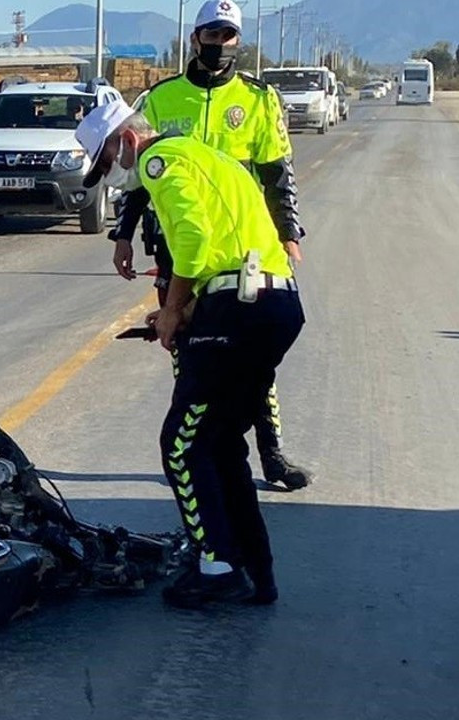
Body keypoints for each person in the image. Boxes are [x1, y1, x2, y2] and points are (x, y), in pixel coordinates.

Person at [76, 99, 305, 608]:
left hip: (238, 313)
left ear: (128, 141)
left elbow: (195, 246)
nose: (114, 177)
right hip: (274, 305)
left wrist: (175, 309)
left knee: (181, 444)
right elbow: (230, 248)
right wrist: (190, 307)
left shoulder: (162, 163)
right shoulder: (212, 159)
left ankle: (216, 565)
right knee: (221, 446)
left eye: (109, 163)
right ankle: (253, 569)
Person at [110, 0, 312, 492]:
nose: (218, 44)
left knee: (252, 355)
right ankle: (199, 443)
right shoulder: (162, 98)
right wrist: (123, 234)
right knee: (187, 347)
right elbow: (140, 174)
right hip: (176, 248)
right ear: (195, 37)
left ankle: (271, 453)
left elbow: (277, 173)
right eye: (210, 34)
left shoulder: (259, 99)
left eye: (228, 36)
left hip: (244, 248)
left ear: (237, 41)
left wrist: (288, 233)